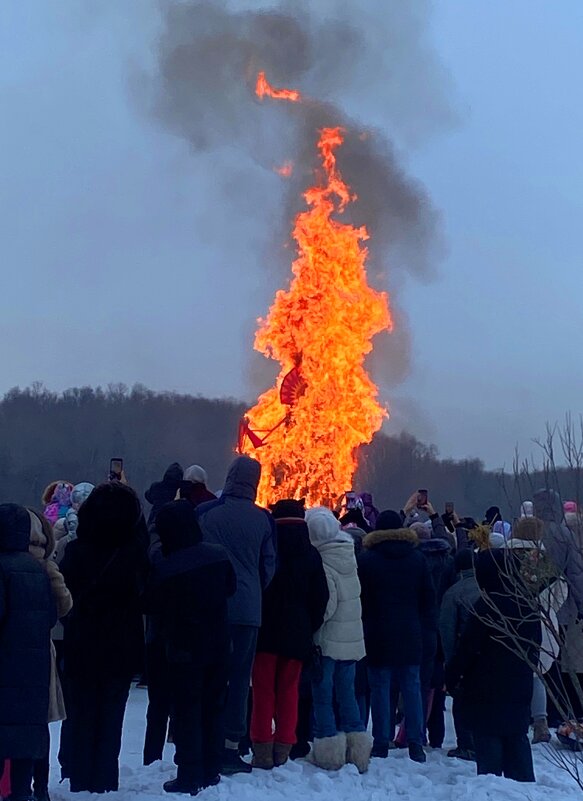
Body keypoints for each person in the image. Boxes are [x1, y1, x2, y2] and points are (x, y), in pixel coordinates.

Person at [60, 482, 148, 792]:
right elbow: (145, 595)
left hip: (82, 640)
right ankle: (105, 777)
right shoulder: (135, 553)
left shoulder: (75, 551)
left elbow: (64, 594)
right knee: (113, 714)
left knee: (82, 711)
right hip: (122, 643)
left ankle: (80, 774)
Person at [144, 501, 236, 795]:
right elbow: (231, 588)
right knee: (213, 708)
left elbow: (150, 604)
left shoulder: (167, 567)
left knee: (187, 712)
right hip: (220, 644)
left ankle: (188, 773)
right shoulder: (219, 555)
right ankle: (212, 768)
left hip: (183, 649)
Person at [196, 456, 277, 775]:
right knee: (241, 679)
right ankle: (231, 747)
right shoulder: (264, 519)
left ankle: (204, 740)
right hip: (247, 610)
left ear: (229, 477)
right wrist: (253, 589)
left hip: (210, 607)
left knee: (208, 675)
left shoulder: (205, 512)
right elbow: (269, 565)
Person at [446, 549, 540, 782]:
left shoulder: (486, 607)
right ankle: (525, 791)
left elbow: (467, 649)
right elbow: (535, 647)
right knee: (518, 743)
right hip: (519, 685)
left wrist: (452, 676)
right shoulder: (527, 604)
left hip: (485, 689)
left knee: (490, 762)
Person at [250, 499, 329, 769]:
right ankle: (284, 746)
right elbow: (321, 596)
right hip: (297, 633)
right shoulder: (311, 555)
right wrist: (309, 624)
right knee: (289, 690)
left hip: (266, 631)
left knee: (262, 690)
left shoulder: (266, 549)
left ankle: (261, 747)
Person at [358, 511, 436, 764]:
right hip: (410, 631)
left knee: (380, 687)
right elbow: (428, 599)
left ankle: (381, 741)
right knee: (412, 688)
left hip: (378, 631)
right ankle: (416, 742)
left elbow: (362, 599)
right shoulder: (417, 559)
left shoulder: (367, 560)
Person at [305, 507, 371, 773]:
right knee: (347, 694)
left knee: (322, 694)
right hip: (352, 639)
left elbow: (327, 606)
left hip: (329, 641)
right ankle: (358, 750)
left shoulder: (324, 562)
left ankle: (329, 751)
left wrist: (312, 628)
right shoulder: (348, 556)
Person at [0, 504, 56, 801]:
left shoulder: (1, 568)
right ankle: (22, 794)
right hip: (33, 671)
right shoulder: (39, 569)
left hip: (4, 671)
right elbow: (50, 618)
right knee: (24, 745)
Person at [504, 516, 567, 744]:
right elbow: (560, 589)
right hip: (541, 621)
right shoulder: (543, 560)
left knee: (508, 673)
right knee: (536, 673)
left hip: (508, 620)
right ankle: (540, 722)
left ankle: (513, 720)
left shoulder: (505, 557)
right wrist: (548, 609)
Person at [27, 510, 73, 801]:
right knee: (39, 722)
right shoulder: (45, 566)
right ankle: (40, 786)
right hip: (40, 651)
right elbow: (65, 604)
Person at [439, 548, 480, 760]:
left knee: (462, 702)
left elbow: (446, 629)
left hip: (463, 654)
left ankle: (466, 745)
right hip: (490, 656)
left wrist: (450, 663)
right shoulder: (490, 587)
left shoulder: (454, 592)